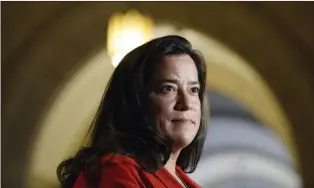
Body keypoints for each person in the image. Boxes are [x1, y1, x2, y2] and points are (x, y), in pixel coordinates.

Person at [57, 35, 208, 188]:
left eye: (193, 90)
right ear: (134, 100)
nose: (187, 103)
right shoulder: (116, 171)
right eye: (168, 88)